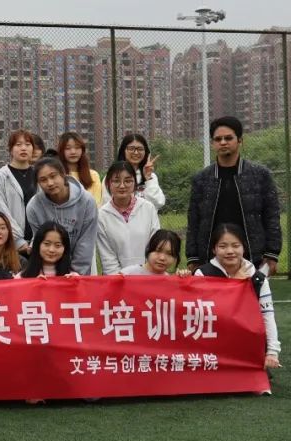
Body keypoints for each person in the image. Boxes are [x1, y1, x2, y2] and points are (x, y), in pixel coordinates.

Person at [186, 116, 282, 274]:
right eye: (218, 139)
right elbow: (194, 220)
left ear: (240, 141)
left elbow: (272, 216)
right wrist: (193, 257)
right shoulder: (201, 179)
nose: (223, 142)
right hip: (210, 258)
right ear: (212, 143)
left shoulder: (260, 175)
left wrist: (272, 253)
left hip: (253, 257)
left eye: (228, 138)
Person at [194, 223, 280, 370]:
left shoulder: (258, 279)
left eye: (235, 245)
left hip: (246, 345)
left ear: (243, 247)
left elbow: (267, 316)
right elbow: (201, 314)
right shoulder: (202, 274)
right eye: (222, 246)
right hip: (211, 346)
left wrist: (272, 352)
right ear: (214, 249)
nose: (230, 251)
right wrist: (235, 284)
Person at [26, 157, 98, 275]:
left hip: (79, 272)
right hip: (48, 272)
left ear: (63, 174)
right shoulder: (33, 207)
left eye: (53, 176)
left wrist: (76, 274)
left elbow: (86, 242)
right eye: (43, 180)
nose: (50, 183)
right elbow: (40, 242)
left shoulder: (87, 201)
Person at [97, 161, 160, 274]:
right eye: (116, 181)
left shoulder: (148, 208)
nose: (122, 186)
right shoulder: (102, 215)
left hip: (147, 277)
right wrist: (120, 279)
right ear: (108, 184)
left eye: (127, 181)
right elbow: (107, 258)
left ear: (135, 183)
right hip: (116, 279)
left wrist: (146, 274)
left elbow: (155, 247)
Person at [0, 130, 38, 255]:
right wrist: (19, 241)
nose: (23, 148)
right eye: (18, 144)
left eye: (27, 144)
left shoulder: (38, 174)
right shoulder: (1, 175)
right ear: (11, 150)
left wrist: (36, 240)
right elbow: (1, 208)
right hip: (12, 241)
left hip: (37, 241)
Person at [115, 134, 166, 209]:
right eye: (131, 148)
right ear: (123, 151)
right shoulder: (113, 177)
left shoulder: (151, 176)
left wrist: (148, 179)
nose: (136, 152)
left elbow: (158, 203)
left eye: (140, 149)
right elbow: (106, 205)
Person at [58, 132, 103, 205]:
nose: (73, 152)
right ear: (61, 151)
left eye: (77, 147)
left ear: (82, 150)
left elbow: (96, 203)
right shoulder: (57, 175)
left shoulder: (93, 175)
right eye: (68, 148)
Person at [120, 230, 184, 276]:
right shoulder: (128, 274)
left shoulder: (169, 281)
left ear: (175, 258)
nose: (162, 258)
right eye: (158, 251)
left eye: (169, 254)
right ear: (149, 249)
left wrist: (182, 280)